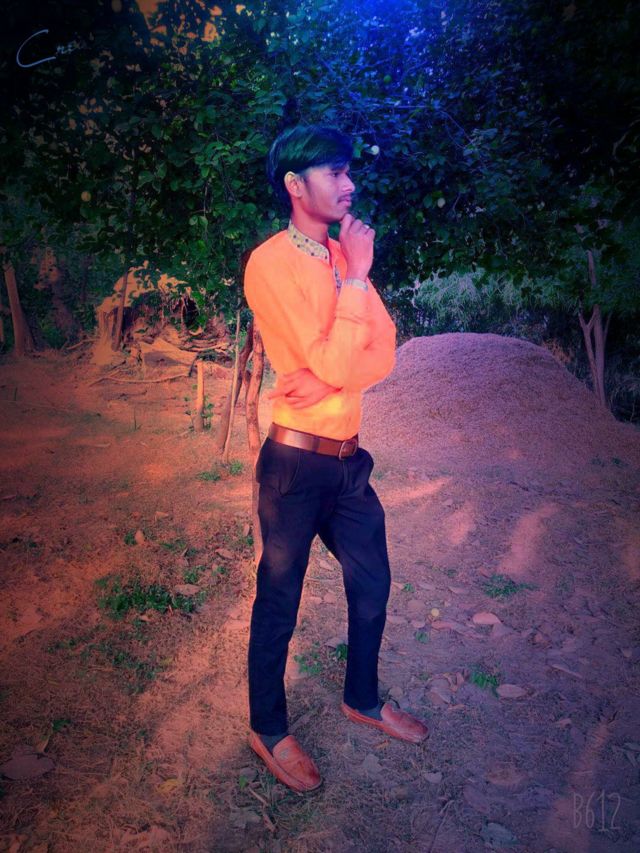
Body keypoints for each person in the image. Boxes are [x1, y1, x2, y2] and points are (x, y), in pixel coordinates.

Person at [244, 125, 428, 793]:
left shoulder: (339, 259)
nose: (349, 184)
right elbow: (337, 357)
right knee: (280, 596)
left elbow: (385, 347)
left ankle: (362, 697)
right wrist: (354, 281)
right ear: (296, 185)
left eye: (350, 171)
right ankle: (268, 728)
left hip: (350, 462)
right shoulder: (270, 264)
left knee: (373, 582)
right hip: (294, 465)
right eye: (335, 172)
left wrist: (330, 375)